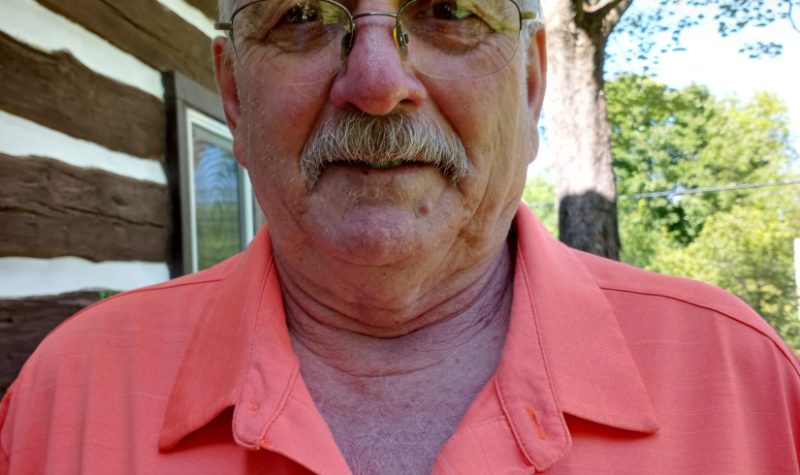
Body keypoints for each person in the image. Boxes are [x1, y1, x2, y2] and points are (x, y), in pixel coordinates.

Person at [2, 0, 799, 473]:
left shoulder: (746, 388)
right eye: (305, 16)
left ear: (529, 83)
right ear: (235, 96)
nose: (378, 85)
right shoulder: (66, 399)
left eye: (450, 11)